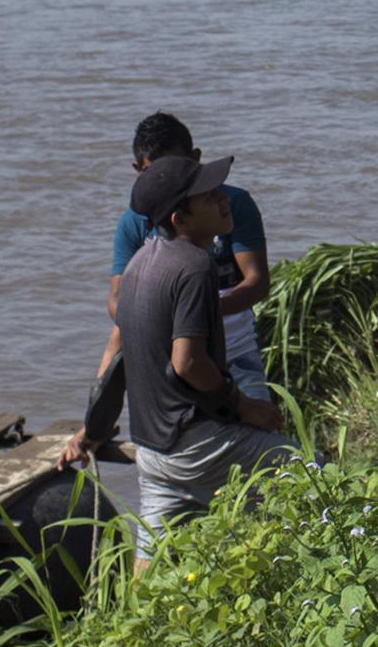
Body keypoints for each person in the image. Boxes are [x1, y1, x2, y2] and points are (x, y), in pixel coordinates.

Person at [96, 151, 289, 541]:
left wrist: (93, 427)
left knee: (151, 553)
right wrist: (243, 405)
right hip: (197, 444)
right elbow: (186, 362)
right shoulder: (194, 267)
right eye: (208, 197)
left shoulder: (138, 266)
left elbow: (119, 354)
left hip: (151, 448)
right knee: (308, 476)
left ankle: (137, 603)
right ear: (178, 219)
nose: (223, 200)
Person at [82, 114, 282, 455]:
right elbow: (119, 302)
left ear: (196, 160)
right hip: (166, 359)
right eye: (155, 173)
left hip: (233, 349)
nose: (167, 182)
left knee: (261, 435)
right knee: (176, 443)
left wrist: (194, 311)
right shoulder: (135, 223)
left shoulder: (227, 206)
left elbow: (257, 283)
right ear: (138, 171)